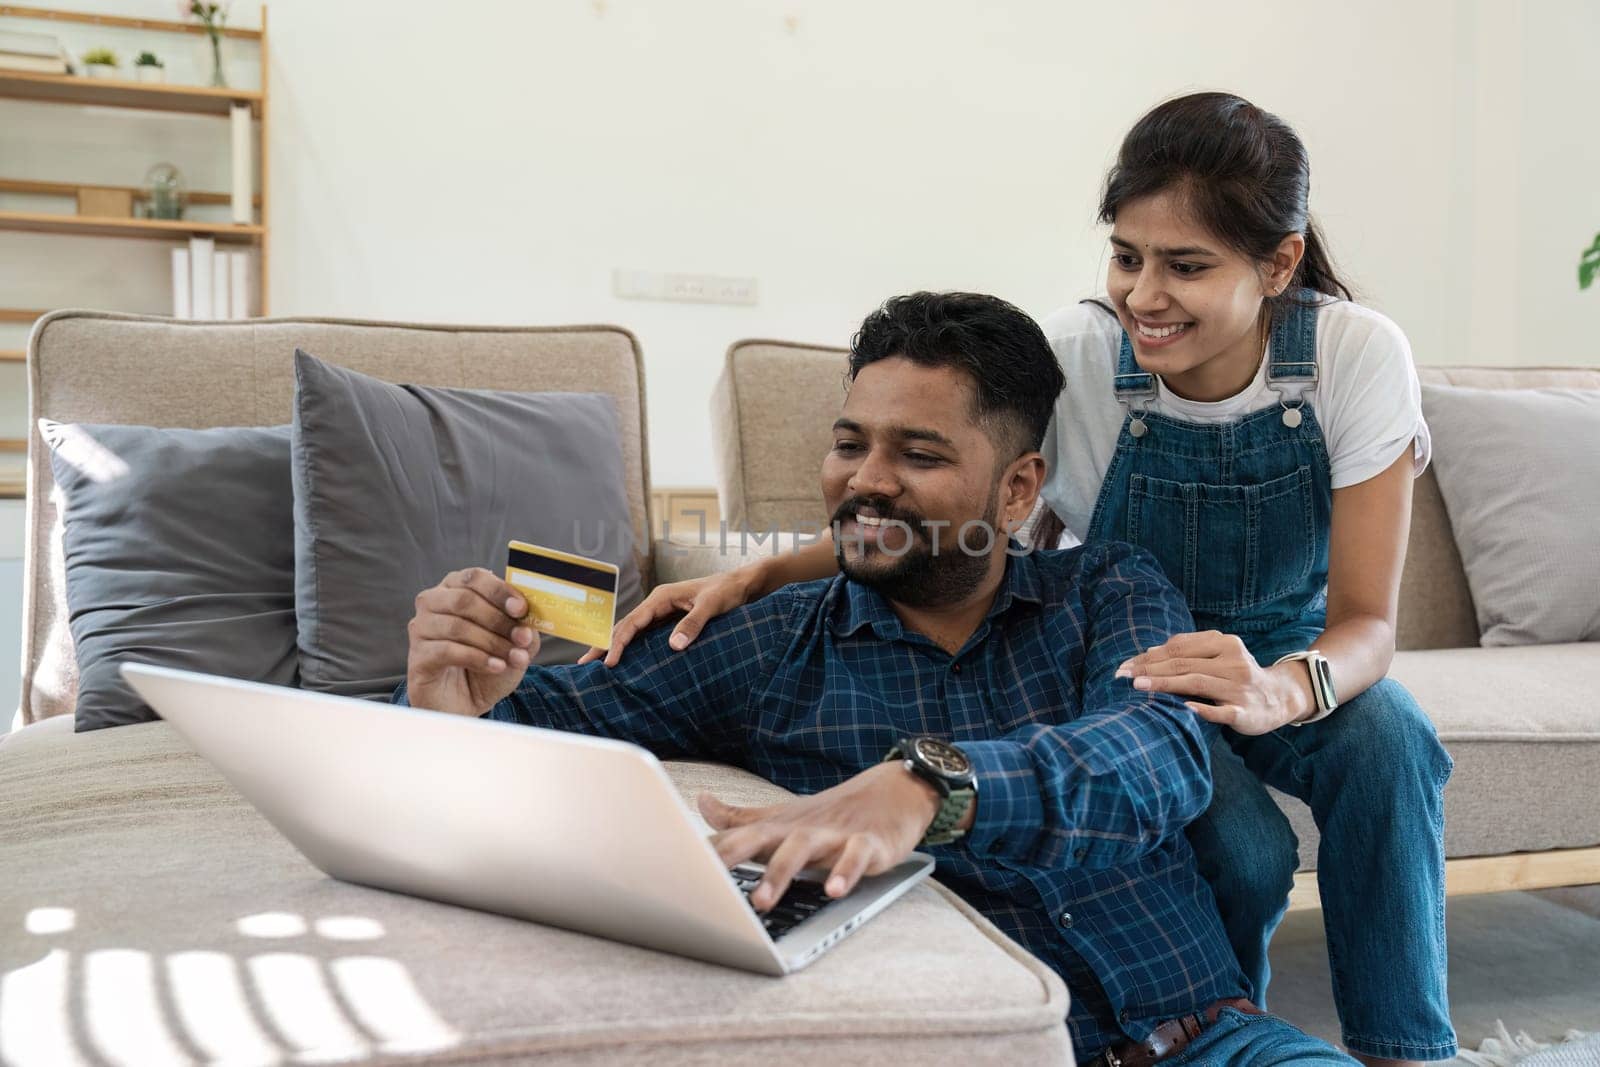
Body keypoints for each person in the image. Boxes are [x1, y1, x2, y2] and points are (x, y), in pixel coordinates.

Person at [588, 94, 1455, 1067]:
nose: (1144, 295)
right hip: (1135, 659)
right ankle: (1220, 1022)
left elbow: (1369, 623)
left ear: (1279, 263)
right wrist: (757, 573)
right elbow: (950, 505)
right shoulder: (1079, 359)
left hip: (1288, 655)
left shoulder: (1350, 356)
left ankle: (1404, 1050)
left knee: (1391, 737)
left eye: (1186, 265)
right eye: (1127, 256)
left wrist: (1274, 688)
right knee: (1243, 851)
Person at [399, 291, 1354, 1065]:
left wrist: (930, 787)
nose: (866, 479)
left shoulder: (1107, 587)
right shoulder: (768, 646)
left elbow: (1158, 759)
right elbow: (543, 725)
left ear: (1018, 489)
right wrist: (449, 695)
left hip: (1219, 1040)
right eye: (851, 442)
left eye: (920, 452)